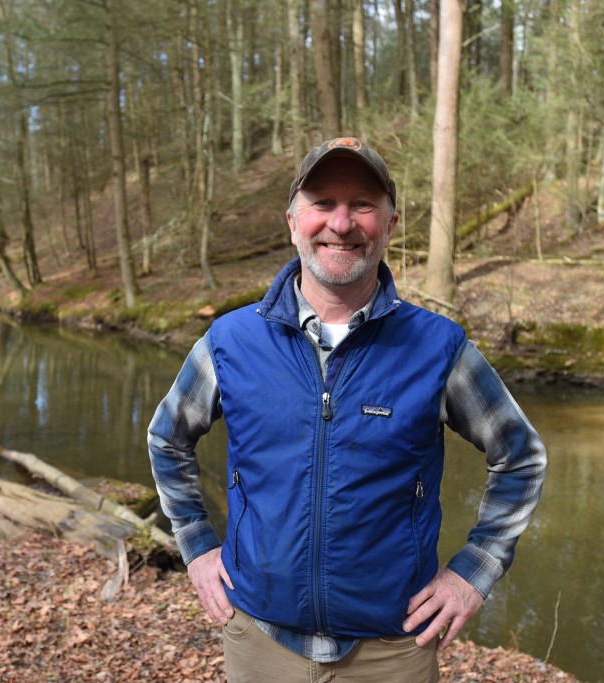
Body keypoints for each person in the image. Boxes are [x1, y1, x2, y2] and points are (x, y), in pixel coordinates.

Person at [148, 137, 547, 682]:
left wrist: (472, 573)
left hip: (391, 651)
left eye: (362, 204)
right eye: (322, 203)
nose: (341, 223)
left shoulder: (438, 349)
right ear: (292, 220)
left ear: (390, 223)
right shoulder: (229, 341)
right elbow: (167, 438)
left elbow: (520, 456)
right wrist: (196, 547)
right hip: (259, 640)